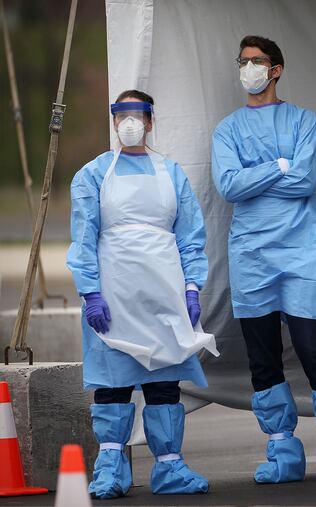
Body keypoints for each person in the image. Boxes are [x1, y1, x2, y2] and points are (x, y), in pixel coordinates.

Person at [211, 35, 316, 483]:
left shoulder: (304, 120)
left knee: (313, 347)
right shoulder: (227, 129)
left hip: (304, 247)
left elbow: (305, 181)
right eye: (243, 61)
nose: (248, 68)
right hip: (252, 252)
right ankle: (282, 449)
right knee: (263, 356)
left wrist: (267, 175)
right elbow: (229, 186)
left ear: (276, 69)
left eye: (257, 61)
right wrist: (280, 166)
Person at [67, 90, 217, 498]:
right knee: (114, 379)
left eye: (137, 114)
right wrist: (91, 293)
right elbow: (83, 238)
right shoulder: (93, 174)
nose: (129, 122)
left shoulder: (172, 173)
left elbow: (190, 237)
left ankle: (170, 467)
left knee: (165, 379)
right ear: (114, 121)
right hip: (114, 292)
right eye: (121, 114)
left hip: (164, 290)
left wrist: (190, 287)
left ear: (150, 121)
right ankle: (110, 468)